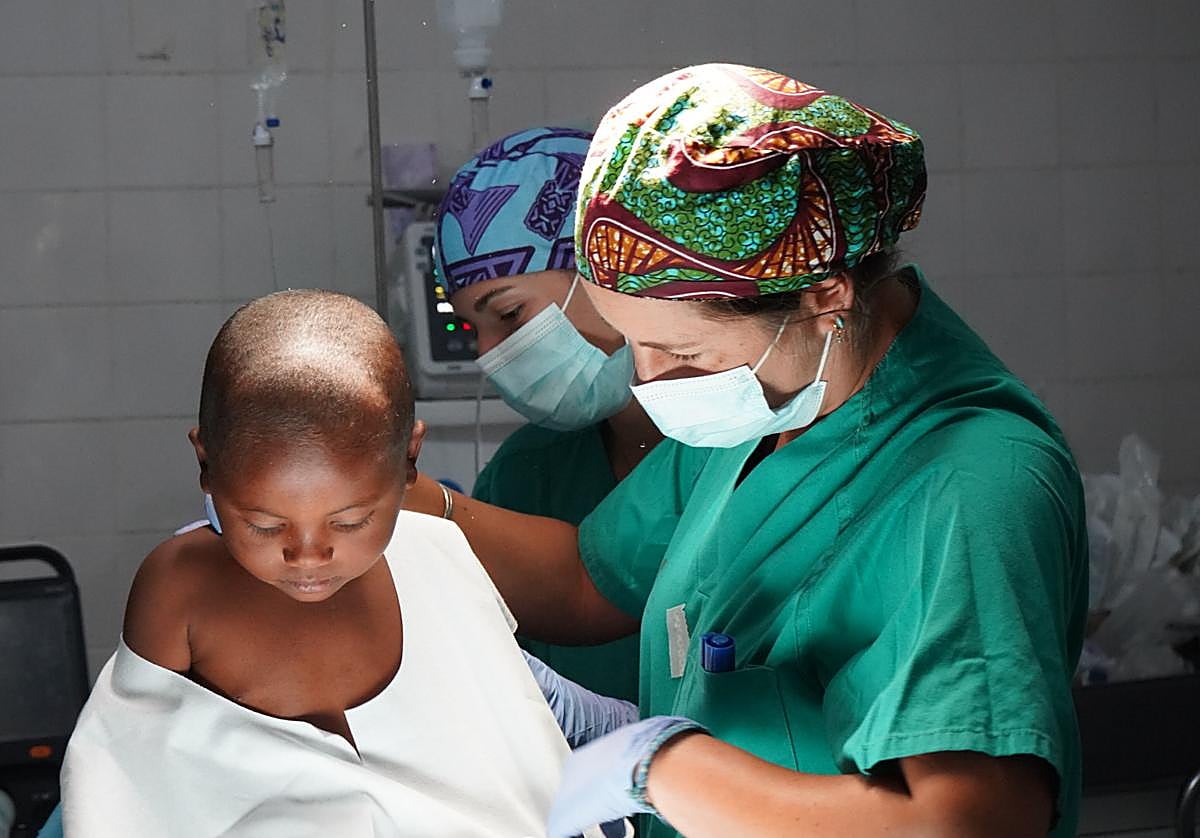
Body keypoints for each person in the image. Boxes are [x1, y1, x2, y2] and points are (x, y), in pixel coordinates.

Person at [406, 64, 1088, 838]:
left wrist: (665, 767)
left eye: (683, 353)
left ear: (824, 296)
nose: (648, 382)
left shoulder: (970, 482)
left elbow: (970, 824)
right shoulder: (767, 408)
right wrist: (393, 489)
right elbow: (590, 577)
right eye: (630, 341)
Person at [56, 290, 617, 838]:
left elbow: (521, 751)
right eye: (265, 525)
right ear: (206, 463)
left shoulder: (438, 558)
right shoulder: (184, 587)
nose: (307, 554)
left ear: (410, 459)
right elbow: (120, 783)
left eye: (349, 522)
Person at [434, 126, 661, 703]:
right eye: (473, 329)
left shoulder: (734, 442)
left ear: (610, 269)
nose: (490, 353)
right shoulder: (526, 474)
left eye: (509, 314)